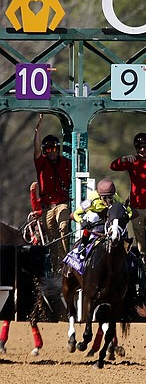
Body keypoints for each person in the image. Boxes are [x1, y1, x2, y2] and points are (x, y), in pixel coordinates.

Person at [110, 132, 146, 285]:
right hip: (136, 209)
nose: (142, 150)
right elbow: (113, 166)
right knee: (141, 245)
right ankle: (144, 274)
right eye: (139, 147)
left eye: (145, 147)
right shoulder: (133, 162)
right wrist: (124, 159)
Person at [33, 114, 71, 272]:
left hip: (62, 204)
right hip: (47, 207)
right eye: (48, 149)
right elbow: (36, 151)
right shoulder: (41, 163)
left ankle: (66, 262)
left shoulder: (66, 163)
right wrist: (37, 130)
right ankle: (56, 267)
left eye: (55, 148)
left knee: (63, 227)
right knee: (52, 237)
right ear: (45, 151)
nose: (52, 152)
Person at [71, 179, 131, 257]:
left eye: (110, 197)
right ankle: (83, 244)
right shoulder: (92, 200)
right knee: (93, 216)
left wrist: (126, 218)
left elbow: (129, 211)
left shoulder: (116, 197)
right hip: (94, 224)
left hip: (108, 222)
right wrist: (82, 221)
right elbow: (76, 213)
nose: (108, 201)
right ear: (99, 195)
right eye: (104, 197)